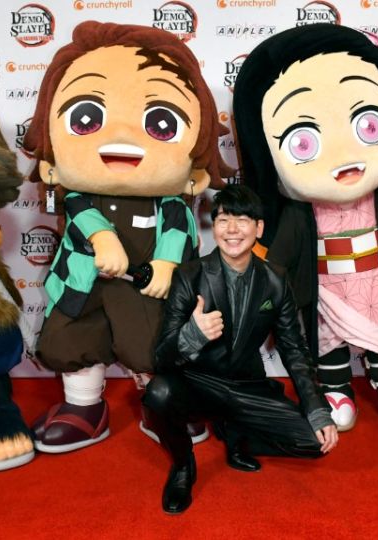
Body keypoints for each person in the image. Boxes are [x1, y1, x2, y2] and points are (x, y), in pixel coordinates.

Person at [21, 21, 231, 452]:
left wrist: (167, 265)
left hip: (145, 291)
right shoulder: (77, 199)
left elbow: (178, 228)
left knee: (150, 345)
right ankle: (84, 408)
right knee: (74, 337)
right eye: (85, 119)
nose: (120, 137)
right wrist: (103, 239)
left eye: (161, 123)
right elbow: (81, 215)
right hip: (82, 285)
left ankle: (160, 406)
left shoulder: (170, 203)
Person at [232, 24, 378, 431]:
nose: (344, 153)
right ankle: (335, 390)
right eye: (303, 142)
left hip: (374, 281)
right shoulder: (299, 211)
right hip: (325, 285)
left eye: (368, 125)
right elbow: (279, 256)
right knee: (327, 338)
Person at [143, 184, 338, 514]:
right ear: (214, 227)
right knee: (158, 394)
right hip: (197, 383)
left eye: (242, 220)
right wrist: (193, 334)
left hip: (246, 386)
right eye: (223, 220)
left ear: (259, 228)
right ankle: (183, 466)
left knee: (314, 442)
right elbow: (161, 357)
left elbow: (294, 349)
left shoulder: (276, 280)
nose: (232, 230)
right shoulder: (189, 276)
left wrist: (317, 409)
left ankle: (236, 433)